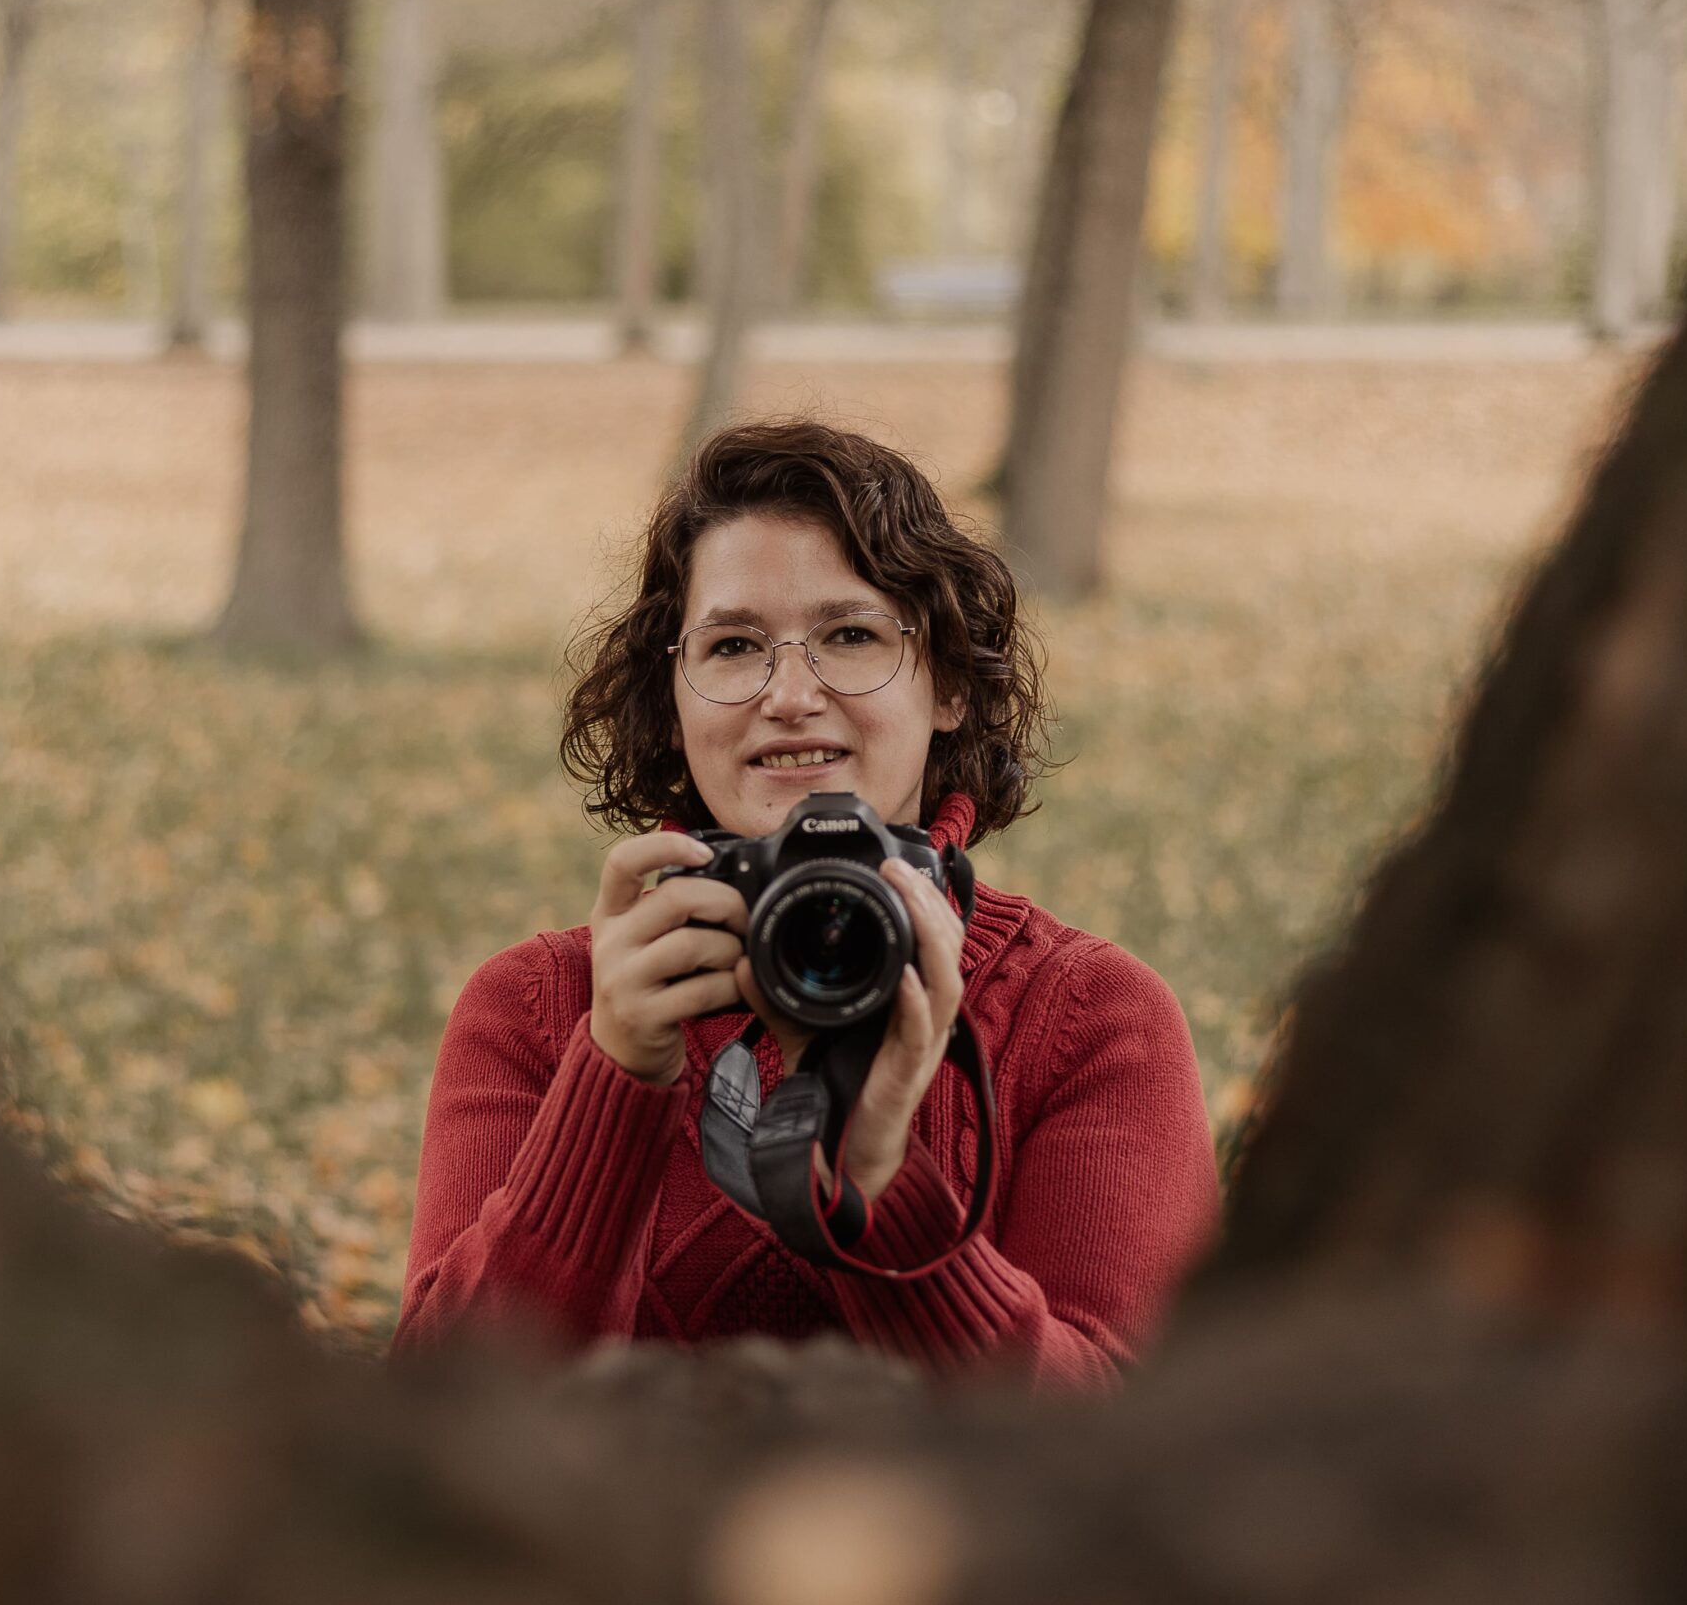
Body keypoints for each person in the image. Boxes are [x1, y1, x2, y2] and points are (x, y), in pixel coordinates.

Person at [390, 421, 1217, 1390]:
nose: (790, 693)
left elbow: (1131, 1445)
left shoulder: (1087, 1017)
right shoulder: (537, 1005)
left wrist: (879, 1186)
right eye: (735, 644)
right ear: (675, 695)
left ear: (948, 681)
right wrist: (611, 1078)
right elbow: (434, 1423)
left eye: (850, 635)